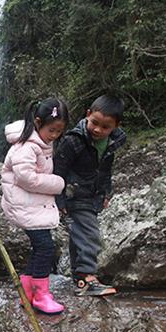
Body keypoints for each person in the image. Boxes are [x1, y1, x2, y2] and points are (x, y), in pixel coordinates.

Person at [53, 94, 126, 296]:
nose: (98, 130)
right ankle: (87, 276)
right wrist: (58, 199)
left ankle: (80, 282)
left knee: (79, 235)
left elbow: (105, 170)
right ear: (87, 115)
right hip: (73, 193)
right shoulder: (72, 141)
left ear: (116, 126)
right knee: (90, 233)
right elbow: (58, 169)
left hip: (92, 194)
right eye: (94, 123)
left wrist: (105, 193)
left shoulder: (112, 142)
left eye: (105, 127)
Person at [1, 98, 68, 314]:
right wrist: (58, 184)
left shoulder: (40, 143)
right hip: (24, 206)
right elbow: (26, 178)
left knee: (41, 247)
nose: (55, 136)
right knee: (46, 247)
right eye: (52, 130)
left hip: (32, 205)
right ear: (37, 122)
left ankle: (27, 293)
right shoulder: (26, 147)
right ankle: (41, 295)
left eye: (59, 131)